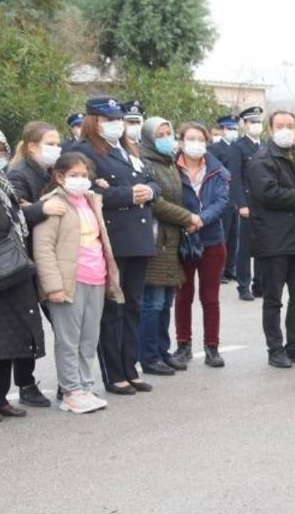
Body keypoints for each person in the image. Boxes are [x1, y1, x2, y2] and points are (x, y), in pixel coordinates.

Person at [68, 96, 159, 396]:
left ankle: (130, 367)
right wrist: (126, 194)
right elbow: (86, 189)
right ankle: (114, 373)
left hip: (139, 236)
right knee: (114, 308)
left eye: (118, 118)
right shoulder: (84, 151)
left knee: (133, 305)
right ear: (94, 120)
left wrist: (150, 191)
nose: (116, 124)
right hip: (114, 237)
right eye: (108, 119)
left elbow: (150, 180)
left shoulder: (129, 148)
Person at [32, 153, 123, 413]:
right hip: (68, 281)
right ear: (60, 176)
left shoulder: (92, 201)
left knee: (88, 338)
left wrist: (108, 276)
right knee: (68, 339)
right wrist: (53, 287)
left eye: (85, 175)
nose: (81, 180)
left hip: (96, 277)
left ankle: (84, 384)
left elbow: (100, 239)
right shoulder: (53, 204)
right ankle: (70, 390)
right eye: (74, 175)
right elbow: (44, 249)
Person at [0, 125, 47, 422]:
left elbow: (16, 220)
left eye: (0, 150)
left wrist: (45, 208)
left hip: (11, 272)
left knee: (8, 339)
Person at [247, 110, 295, 368]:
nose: (286, 130)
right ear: (270, 129)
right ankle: (275, 349)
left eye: (290, 125)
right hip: (273, 240)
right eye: (280, 125)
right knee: (274, 298)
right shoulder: (262, 159)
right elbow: (269, 194)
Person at [137, 117, 200, 377]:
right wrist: (187, 217)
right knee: (152, 303)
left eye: (168, 132)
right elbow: (156, 202)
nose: (165, 138)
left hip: (171, 239)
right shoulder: (146, 163)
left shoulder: (169, 162)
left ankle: (162, 351)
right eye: (159, 134)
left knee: (164, 304)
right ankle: (149, 356)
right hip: (155, 239)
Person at [7, 122, 64, 408]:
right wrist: (40, 208)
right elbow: (15, 213)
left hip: (49, 257)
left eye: (58, 144)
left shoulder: (50, 172)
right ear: (32, 146)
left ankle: (68, 381)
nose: (56, 149)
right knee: (28, 325)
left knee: (62, 320)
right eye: (50, 144)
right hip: (26, 260)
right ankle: (26, 384)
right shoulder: (18, 173)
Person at [173, 123, 231, 368]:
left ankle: (212, 347)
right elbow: (168, 198)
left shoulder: (218, 170)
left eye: (200, 139)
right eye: (191, 138)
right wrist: (187, 219)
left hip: (211, 240)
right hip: (182, 238)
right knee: (183, 295)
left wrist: (201, 219)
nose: (196, 143)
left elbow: (222, 201)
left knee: (210, 297)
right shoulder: (171, 167)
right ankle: (183, 345)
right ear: (182, 141)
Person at [228, 106, 265, 302]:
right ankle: (244, 285)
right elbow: (235, 178)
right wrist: (241, 203)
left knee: (263, 246)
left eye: (258, 121)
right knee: (244, 248)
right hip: (248, 203)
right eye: (252, 122)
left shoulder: (265, 145)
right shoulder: (238, 147)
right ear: (244, 124)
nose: (256, 125)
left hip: (265, 204)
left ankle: (260, 284)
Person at [210, 115, 240, 284]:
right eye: (229, 129)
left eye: (235, 128)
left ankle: (230, 268)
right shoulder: (215, 148)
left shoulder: (238, 147)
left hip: (237, 195)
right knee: (223, 234)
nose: (232, 132)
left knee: (235, 236)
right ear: (222, 130)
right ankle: (219, 270)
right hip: (223, 195)